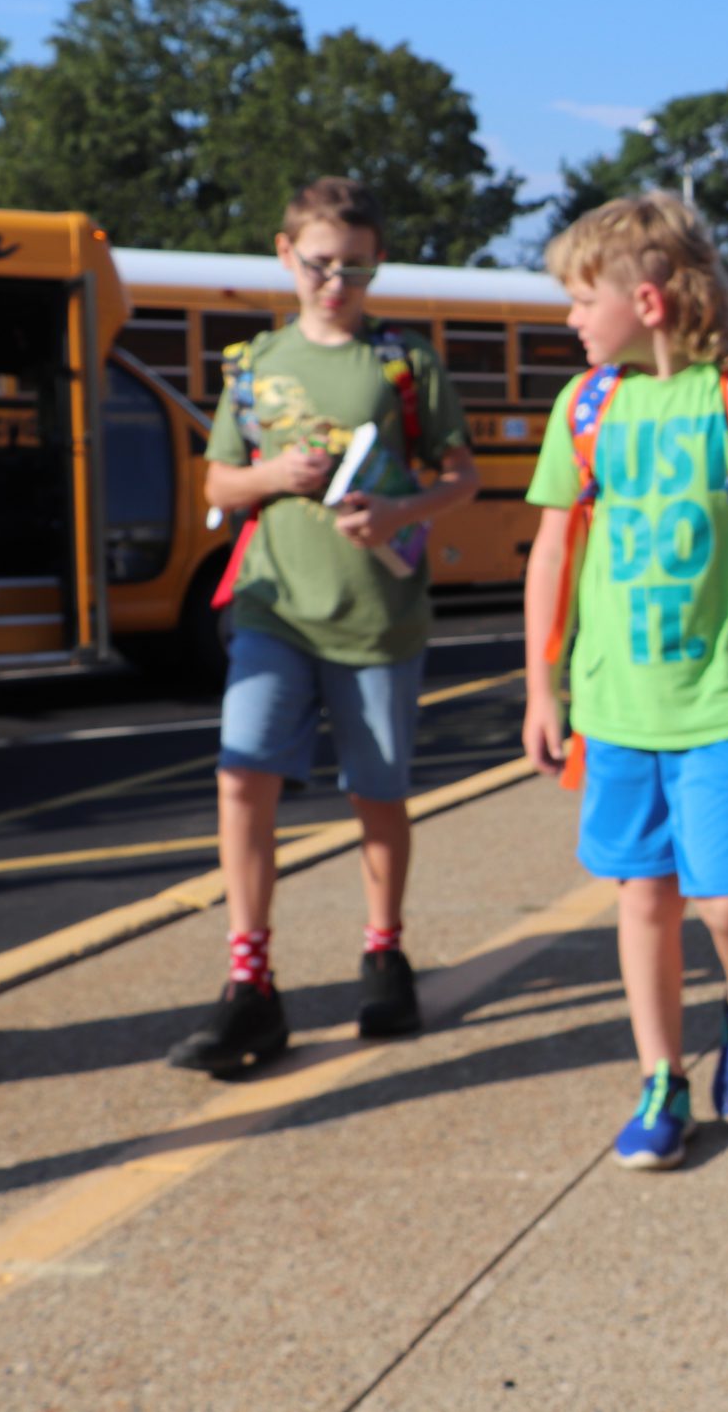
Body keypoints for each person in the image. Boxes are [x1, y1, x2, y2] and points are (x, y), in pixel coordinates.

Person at [520, 192, 728, 1170]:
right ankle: (660, 1077)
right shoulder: (584, 407)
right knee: (642, 896)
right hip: (617, 703)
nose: (568, 319)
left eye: (579, 299)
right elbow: (552, 550)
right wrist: (541, 685)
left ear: (646, 301)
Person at [167, 178, 479, 1076]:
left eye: (356, 265)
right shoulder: (253, 365)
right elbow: (219, 485)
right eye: (320, 263)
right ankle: (250, 982)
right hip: (274, 605)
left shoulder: (403, 364)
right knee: (242, 775)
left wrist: (398, 509)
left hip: (378, 613)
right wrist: (272, 477)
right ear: (285, 255)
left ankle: (385, 953)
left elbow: (462, 478)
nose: (336, 281)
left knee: (376, 791)